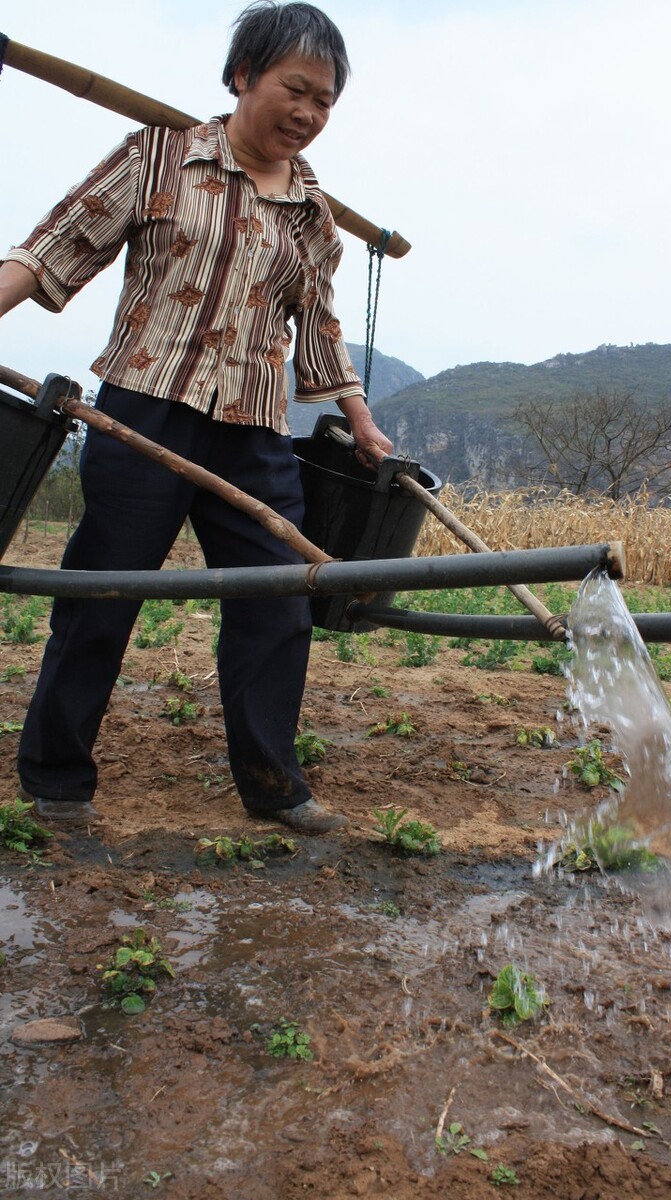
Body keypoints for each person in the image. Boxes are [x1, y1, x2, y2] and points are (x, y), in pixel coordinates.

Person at [0, 1, 392, 832]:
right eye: (296, 89)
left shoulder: (315, 217)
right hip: (145, 410)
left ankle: (272, 784)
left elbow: (317, 330)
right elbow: (51, 249)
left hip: (253, 429)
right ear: (244, 76)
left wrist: (359, 420)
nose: (308, 114)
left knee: (278, 599)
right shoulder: (161, 158)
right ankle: (57, 779)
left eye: (325, 102)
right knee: (104, 591)